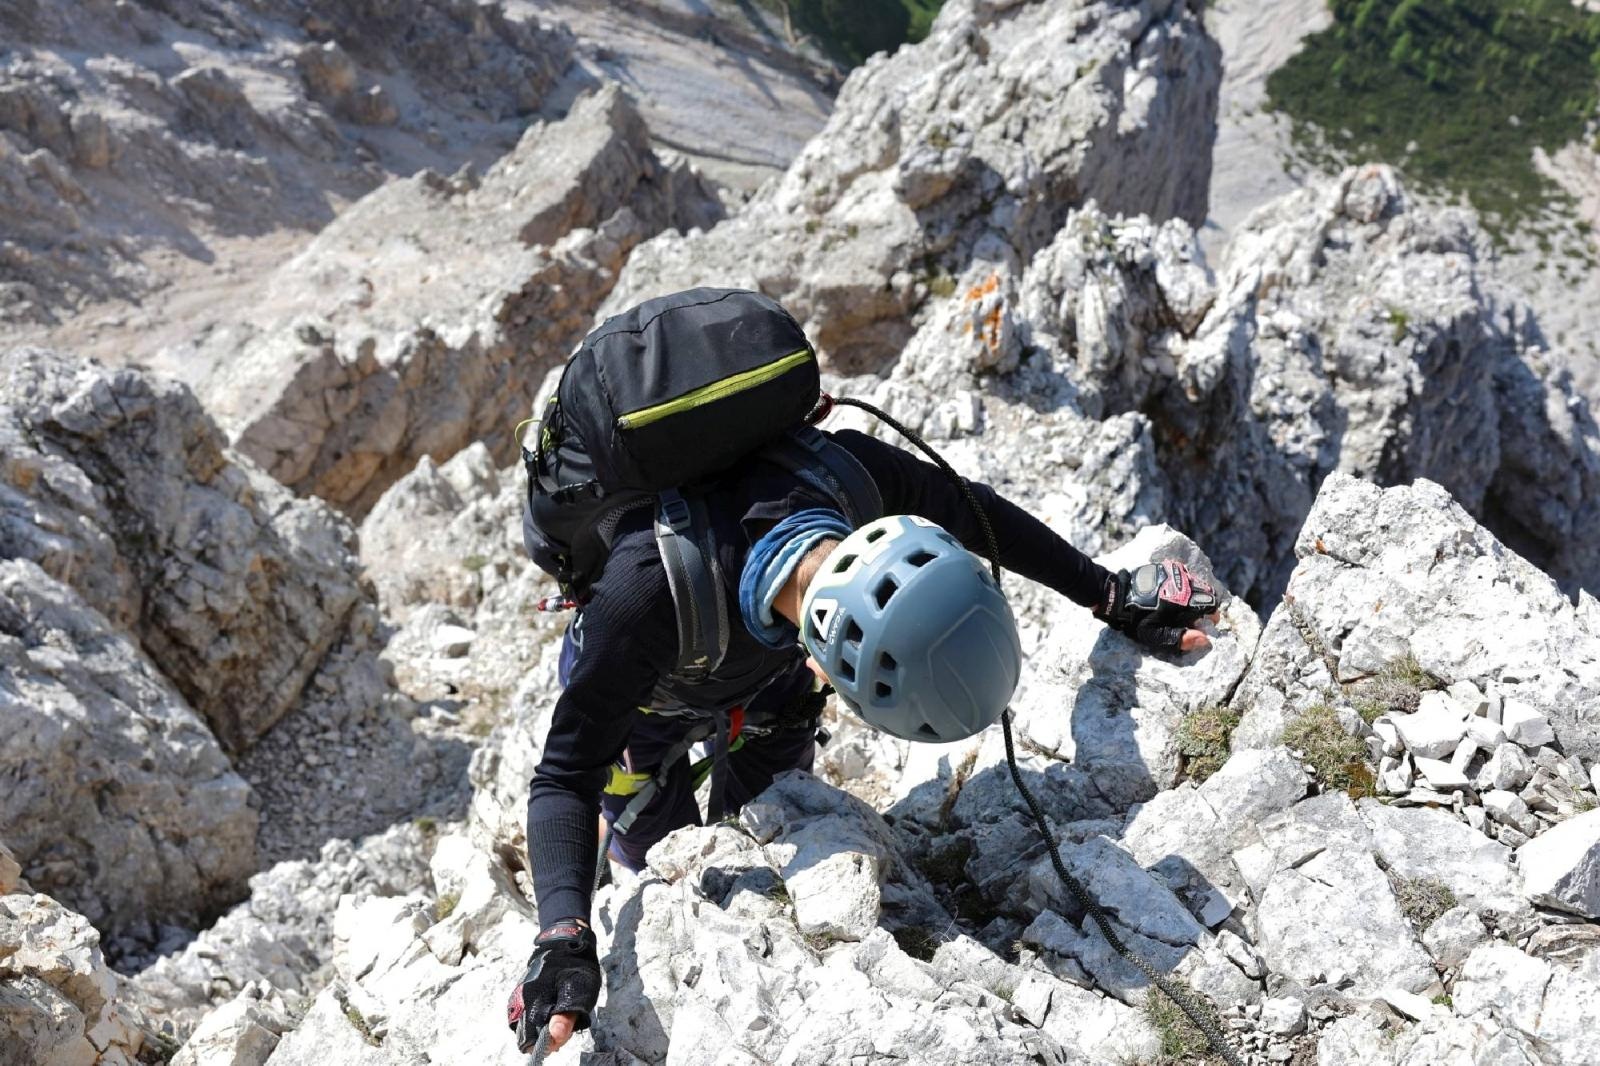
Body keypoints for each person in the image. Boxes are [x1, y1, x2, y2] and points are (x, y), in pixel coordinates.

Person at [504, 422, 1216, 1055]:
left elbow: (978, 512)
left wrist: (1110, 594)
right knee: (655, 850)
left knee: (770, 799)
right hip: (645, 704)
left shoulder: (851, 477)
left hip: (767, 676)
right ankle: (618, 859)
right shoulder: (644, 595)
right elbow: (564, 774)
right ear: (832, 664)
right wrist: (563, 935)